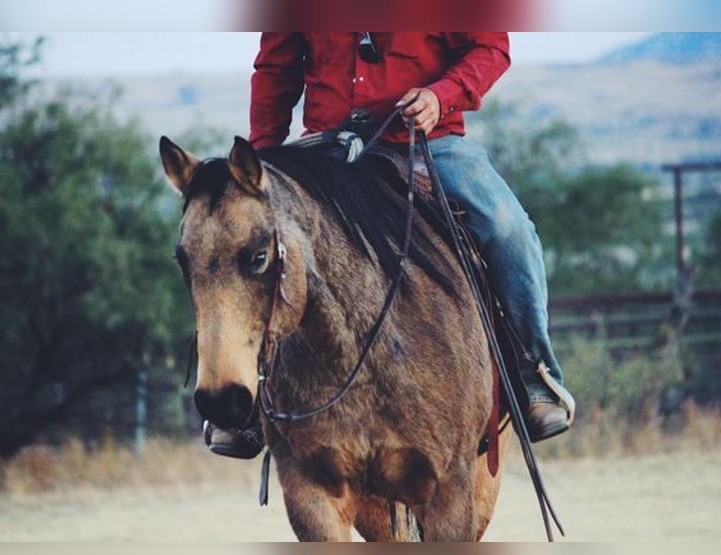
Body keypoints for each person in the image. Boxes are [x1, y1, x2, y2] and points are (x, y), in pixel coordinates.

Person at [211, 33, 574, 458]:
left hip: (429, 145)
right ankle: (242, 404)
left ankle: (535, 375)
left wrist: (441, 96)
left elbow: (490, 47)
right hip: (326, 149)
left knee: (508, 229)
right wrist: (263, 162)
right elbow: (276, 69)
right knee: (232, 240)